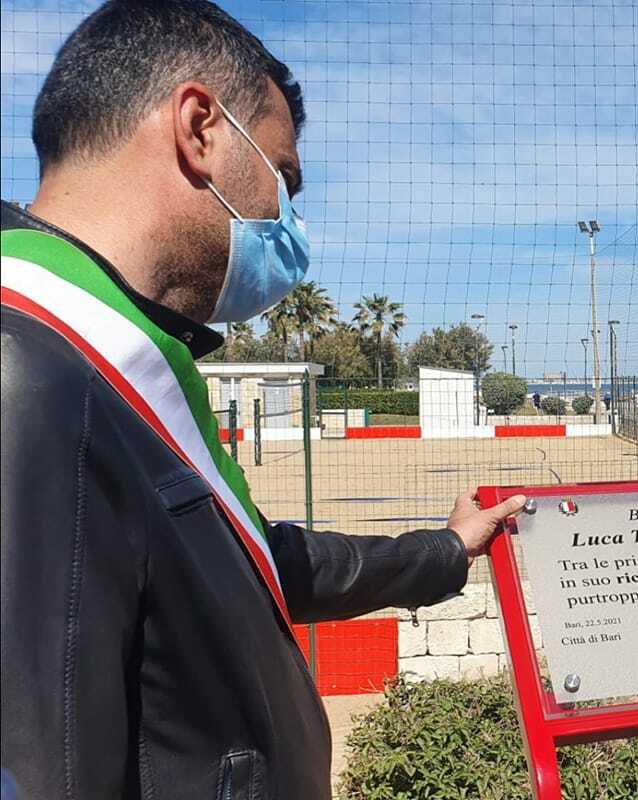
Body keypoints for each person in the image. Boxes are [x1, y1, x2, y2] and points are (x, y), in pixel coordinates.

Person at [0, 3, 527, 798]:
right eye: (283, 178)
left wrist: (445, 551)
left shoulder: (106, 361)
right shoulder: (26, 380)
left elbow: (253, 568)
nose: (291, 223)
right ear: (200, 130)